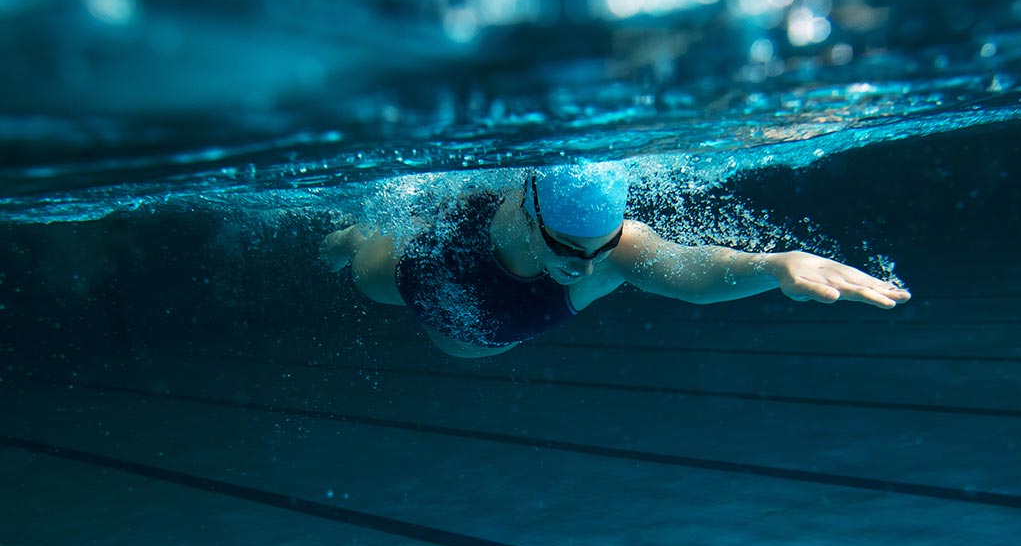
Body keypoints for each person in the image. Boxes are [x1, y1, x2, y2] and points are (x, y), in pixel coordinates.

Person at [320, 162, 910, 358]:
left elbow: (694, 274)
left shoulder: (619, 250)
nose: (583, 268)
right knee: (363, 268)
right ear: (528, 216)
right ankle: (351, 236)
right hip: (416, 279)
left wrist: (775, 266)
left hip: (478, 339)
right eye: (565, 251)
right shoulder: (487, 205)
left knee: (459, 346)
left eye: (601, 248)